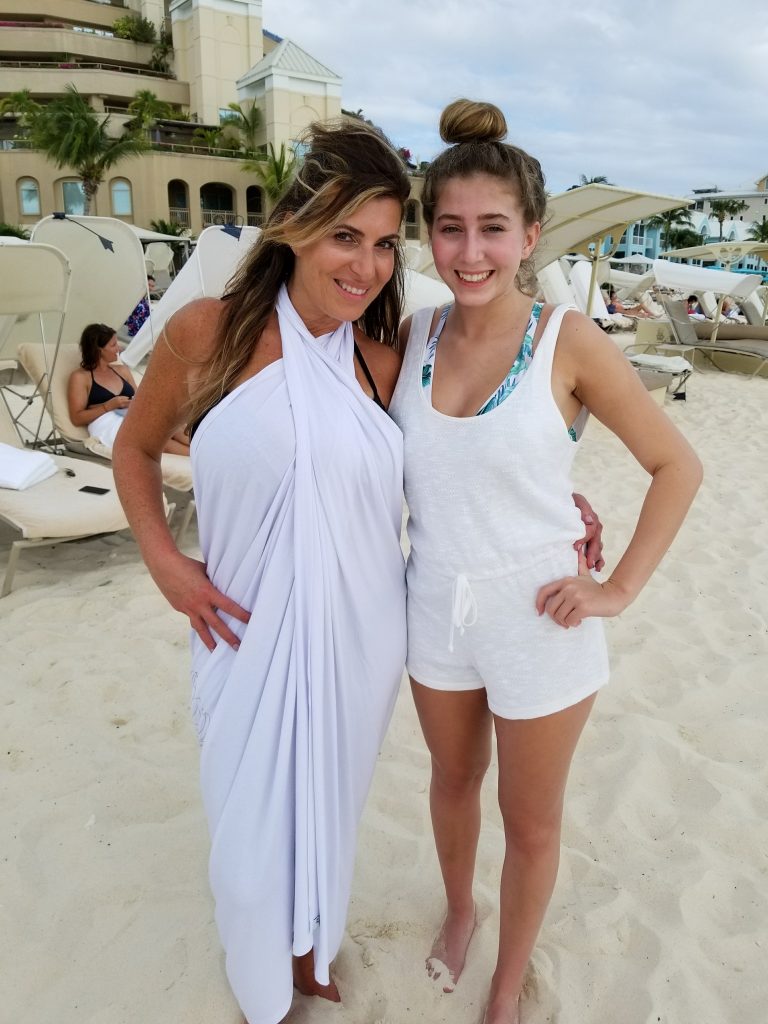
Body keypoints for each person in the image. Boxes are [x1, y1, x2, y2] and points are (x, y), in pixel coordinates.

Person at [112, 117, 603, 1023]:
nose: (367, 266)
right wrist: (164, 562)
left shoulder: (383, 357)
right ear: (294, 226)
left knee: (330, 807)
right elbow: (134, 450)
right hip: (239, 628)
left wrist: (563, 502)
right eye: (346, 236)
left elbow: (472, 450)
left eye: (383, 245)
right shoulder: (206, 333)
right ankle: (265, 966)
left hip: (360, 636)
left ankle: (311, 947)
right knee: (246, 837)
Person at [388, 99, 702, 1024]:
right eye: (450, 228)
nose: (470, 251)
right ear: (428, 235)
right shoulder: (412, 337)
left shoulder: (570, 340)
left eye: (493, 228)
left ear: (530, 235)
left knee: (529, 823)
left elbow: (677, 466)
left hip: (540, 616)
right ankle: (460, 910)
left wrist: (618, 587)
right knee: (451, 784)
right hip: (433, 604)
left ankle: (507, 983)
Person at [68, 323, 190, 454]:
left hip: (132, 414)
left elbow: (140, 398)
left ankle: (204, 451)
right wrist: (108, 406)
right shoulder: (81, 377)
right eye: (113, 345)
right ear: (99, 350)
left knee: (173, 426)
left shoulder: (122, 370)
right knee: (160, 442)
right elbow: (77, 418)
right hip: (107, 423)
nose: (119, 348)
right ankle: (198, 458)